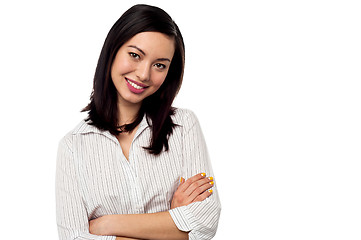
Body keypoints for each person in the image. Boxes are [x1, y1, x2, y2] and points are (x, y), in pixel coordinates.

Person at [55, 4, 221, 240]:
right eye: (135, 55)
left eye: (159, 65)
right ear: (113, 51)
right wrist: (172, 222)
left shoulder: (184, 126)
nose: (144, 74)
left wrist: (106, 225)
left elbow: (205, 223)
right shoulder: (73, 147)